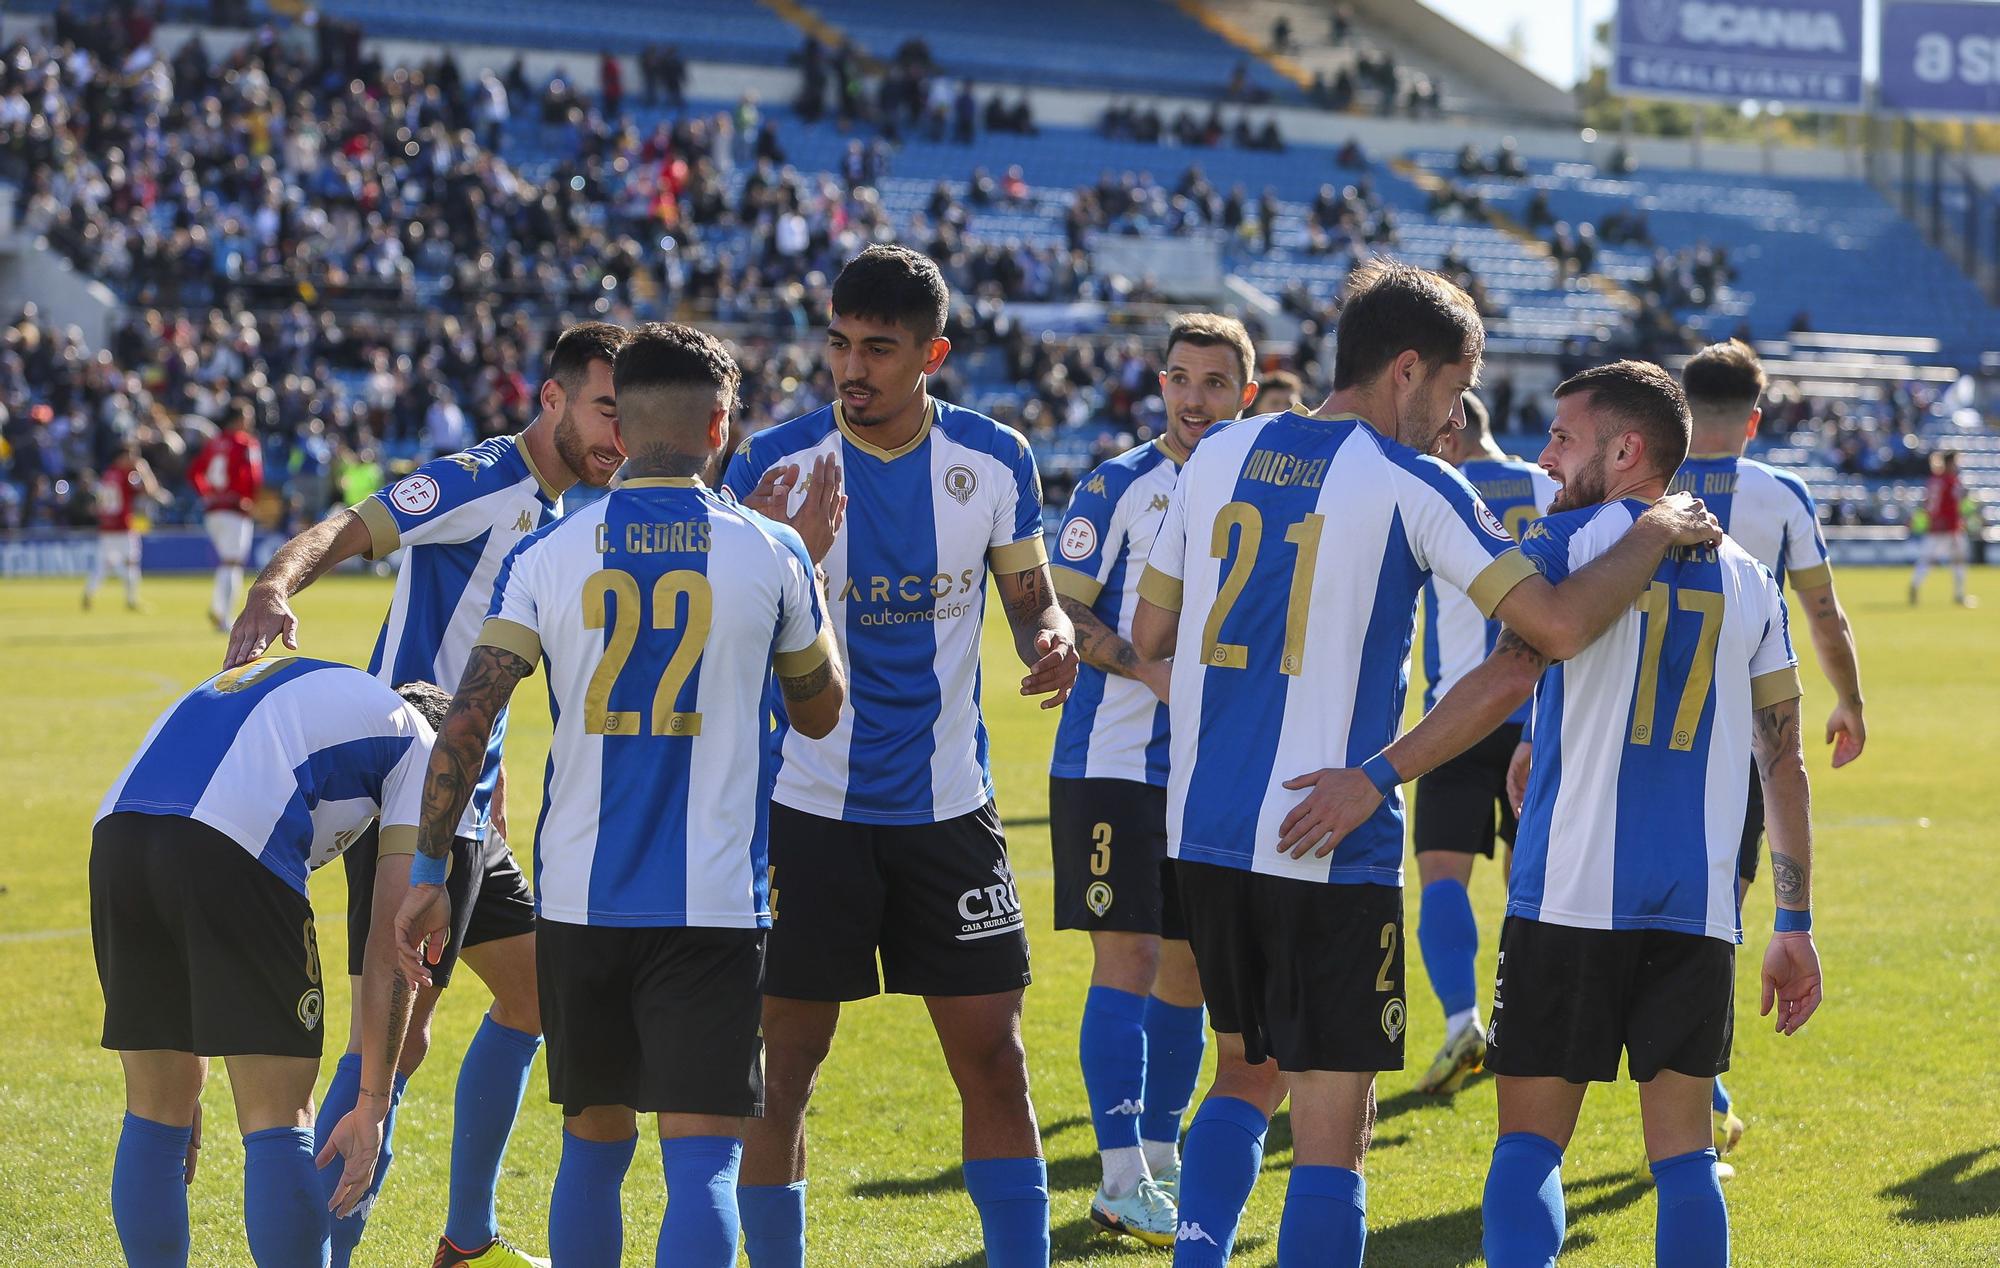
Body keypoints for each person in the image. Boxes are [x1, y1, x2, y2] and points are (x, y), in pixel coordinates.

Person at [1128, 261, 1720, 1268]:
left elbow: (1149, 635)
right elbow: (1554, 627)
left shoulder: (1214, 453)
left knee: (1238, 1073)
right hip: (1330, 832)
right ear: (1406, 369)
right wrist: (1660, 522)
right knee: (1332, 1125)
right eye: (1451, 389)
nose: (1453, 416)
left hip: (1205, 830)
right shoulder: (1412, 481)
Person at [1321, 360, 1825, 1267]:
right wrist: (1794, 920)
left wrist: (1377, 776)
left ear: (1626, 449)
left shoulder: (1568, 546)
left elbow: (1510, 673)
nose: (1544, 457)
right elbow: (1781, 760)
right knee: (1684, 1162)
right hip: (1697, 909)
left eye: (1563, 438)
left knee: (1527, 1150)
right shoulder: (1753, 579)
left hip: (1569, 897)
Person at [393, 322, 847, 1268]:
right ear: (720, 424)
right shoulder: (769, 550)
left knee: (593, 1152)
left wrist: (433, 867)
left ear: (625, 422)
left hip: (578, 899)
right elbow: (818, 712)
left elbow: (467, 720)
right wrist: (798, 586)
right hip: (714, 903)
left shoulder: (551, 550)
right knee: (703, 1165)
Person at [222, 320, 630, 1268]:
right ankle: (322, 1251)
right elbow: (346, 526)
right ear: (553, 398)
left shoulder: (576, 507)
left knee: (533, 995)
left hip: (475, 807)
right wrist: (274, 585)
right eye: (608, 408)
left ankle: (467, 1237)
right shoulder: (480, 478)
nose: (621, 433)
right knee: (388, 1050)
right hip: (410, 799)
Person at [722, 245, 1079, 1268]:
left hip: (947, 810)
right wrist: (774, 547)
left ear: (933, 352)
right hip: (805, 808)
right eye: (838, 342)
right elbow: (727, 645)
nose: (851, 368)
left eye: (878, 349)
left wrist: (1050, 637)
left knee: (995, 1062)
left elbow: (1028, 597)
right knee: (782, 1065)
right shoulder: (773, 467)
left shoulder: (995, 458)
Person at [92, 659, 445, 1267]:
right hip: (233, 840)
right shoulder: (426, 746)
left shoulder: (333, 698)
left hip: (118, 832)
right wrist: (372, 1102)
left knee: (155, 1109)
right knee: (279, 1120)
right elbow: (394, 937)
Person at [1049, 314, 1258, 1245]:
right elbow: (1063, 607)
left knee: (1194, 974)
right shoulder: (1122, 484)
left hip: (1210, 772)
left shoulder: (1263, 486)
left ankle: (1164, 1163)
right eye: (1181, 378)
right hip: (1114, 765)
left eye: (1216, 384)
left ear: (1245, 395)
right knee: (1127, 962)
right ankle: (1119, 1174)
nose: (1194, 398)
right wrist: (1146, 668)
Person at [1651, 339, 1865, 1165]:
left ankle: (1696, 1091)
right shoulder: (1779, 492)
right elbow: (1823, 614)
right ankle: (1698, 1095)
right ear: (1755, 417)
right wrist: (1848, 700)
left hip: (1643, 726)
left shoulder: (1648, 484)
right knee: (1716, 916)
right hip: (1740, 740)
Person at [1409, 391, 1554, 1096]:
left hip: (1458, 714)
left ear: (1451, 434)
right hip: (1546, 715)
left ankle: (1462, 1019)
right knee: (1535, 885)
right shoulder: (1549, 484)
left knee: (1442, 876)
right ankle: (1525, 1018)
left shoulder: (1437, 489)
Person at [190, 399, 264, 632]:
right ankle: (223, 615)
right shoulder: (245, 443)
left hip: (213, 510)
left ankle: (218, 608)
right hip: (234, 509)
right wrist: (249, 499)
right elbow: (254, 475)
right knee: (233, 563)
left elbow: (194, 471)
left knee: (226, 562)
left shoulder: (214, 443)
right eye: (248, 416)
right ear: (240, 418)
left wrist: (207, 493)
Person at [84, 438, 163, 612]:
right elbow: (150, 491)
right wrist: (144, 470)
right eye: (132, 456)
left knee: (104, 563)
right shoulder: (127, 476)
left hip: (106, 527)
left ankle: (89, 592)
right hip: (122, 526)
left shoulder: (107, 474)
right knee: (131, 562)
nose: (134, 460)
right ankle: (132, 599)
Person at [1911, 449, 1974, 606]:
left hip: (1934, 524)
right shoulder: (1951, 480)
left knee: (1927, 559)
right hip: (1950, 526)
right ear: (1950, 462)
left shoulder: (1934, 479)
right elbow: (1956, 501)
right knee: (1958, 560)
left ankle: (1915, 584)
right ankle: (1959, 595)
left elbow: (1928, 503)